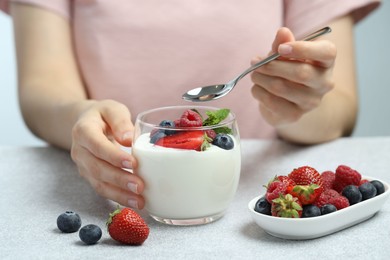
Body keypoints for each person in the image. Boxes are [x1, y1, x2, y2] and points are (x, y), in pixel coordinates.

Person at [0, 0, 380, 209]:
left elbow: (339, 110)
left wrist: (296, 105)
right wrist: (78, 116)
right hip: (114, 196)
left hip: (252, 199)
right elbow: (42, 89)